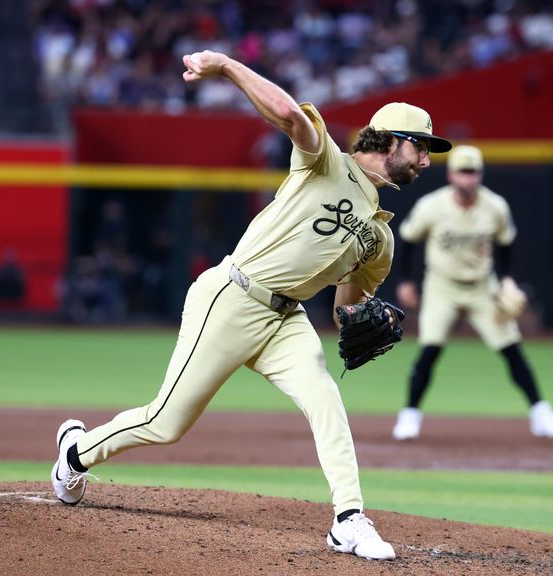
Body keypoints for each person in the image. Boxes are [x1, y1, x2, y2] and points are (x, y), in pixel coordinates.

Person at [50, 48, 452, 562]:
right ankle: (76, 452)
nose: (426, 159)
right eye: (421, 147)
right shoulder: (327, 161)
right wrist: (225, 65)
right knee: (166, 423)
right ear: (393, 140)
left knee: (325, 399)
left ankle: (349, 519)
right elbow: (288, 114)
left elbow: (348, 306)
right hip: (232, 297)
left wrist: (359, 320)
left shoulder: (382, 239)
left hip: (288, 319)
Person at [392, 145, 553, 441]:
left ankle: (541, 414)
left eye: (473, 172)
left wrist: (508, 281)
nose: (468, 178)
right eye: (463, 171)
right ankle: (409, 415)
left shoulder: (495, 206)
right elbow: (409, 239)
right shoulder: (431, 206)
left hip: (481, 288)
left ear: (480, 175)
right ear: (451, 175)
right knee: (430, 350)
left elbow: (505, 245)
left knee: (511, 348)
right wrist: (405, 282)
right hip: (442, 287)